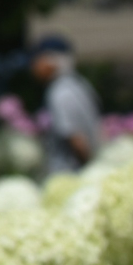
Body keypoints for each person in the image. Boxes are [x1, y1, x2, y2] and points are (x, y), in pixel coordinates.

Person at [29, 35, 101, 174]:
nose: (33, 66)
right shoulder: (79, 84)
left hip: (69, 173)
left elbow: (76, 139)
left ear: (51, 61)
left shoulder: (60, 92)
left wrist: (88, 171)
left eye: (37, 60)